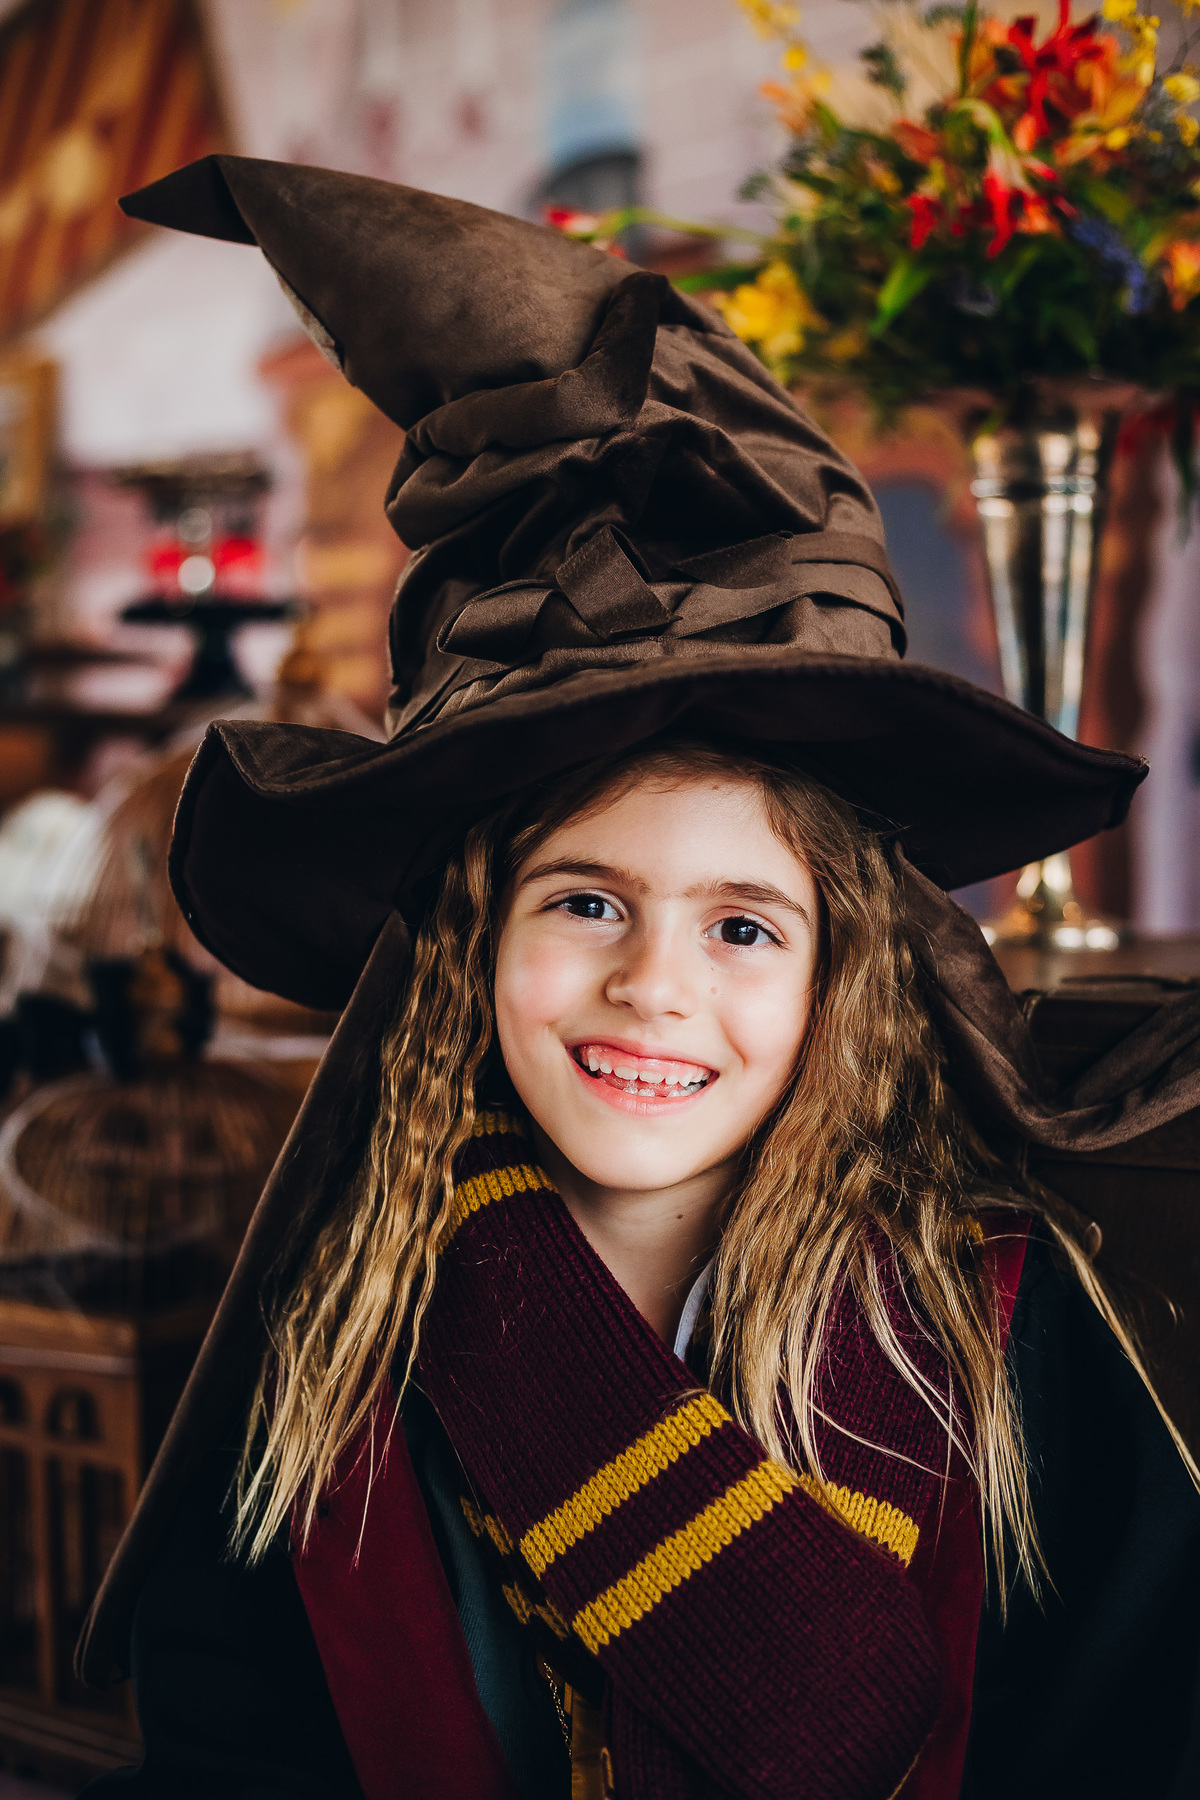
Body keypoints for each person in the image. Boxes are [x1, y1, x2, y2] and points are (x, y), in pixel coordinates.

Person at [79, 156, 1200, 1800]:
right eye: (587, 903)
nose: (655, 987)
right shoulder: (329, 1357)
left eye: (744, 926)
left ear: (841, 979)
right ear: (471, 947)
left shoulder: (1015, 1345)